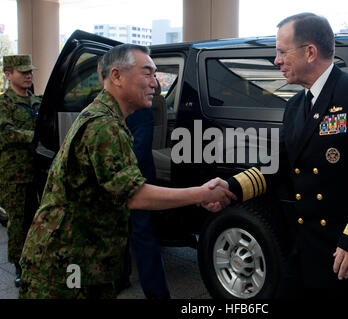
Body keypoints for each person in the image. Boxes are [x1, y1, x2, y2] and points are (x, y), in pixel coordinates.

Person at [208, 13, 348, 298]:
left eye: (282, 52)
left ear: (309, 52)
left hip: (346, 251)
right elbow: (280, 164)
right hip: (306, 243)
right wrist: (231, 187)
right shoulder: (296, 105)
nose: (276, 61)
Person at [18, 44, 235, 299]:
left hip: (84, 255)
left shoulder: (108, 118)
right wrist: (201, 194)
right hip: (66, 261)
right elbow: (135, 196)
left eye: (156, 75)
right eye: (147, 73)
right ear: (117, 76)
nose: (155, 83)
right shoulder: (103, 126)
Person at [125, 79, 171, 300]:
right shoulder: (108, 108)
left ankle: (157, 294)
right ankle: (120, 277)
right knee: (122, 232)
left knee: (142, 235)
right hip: (122, 179)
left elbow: (139, 149)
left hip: (137, 180)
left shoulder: (141, 108)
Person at [0, 55, 41, 287]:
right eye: (23, 71)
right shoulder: (4, 104)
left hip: (36, 169)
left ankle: (34, 260)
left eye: (30, 71)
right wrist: (35, 137)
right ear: (8, 74)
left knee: (36, 219)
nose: (28, 75)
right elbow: (5, 132)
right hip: (14, 173)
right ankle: (18, 265)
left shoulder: (36, 100)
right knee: (17, 221)